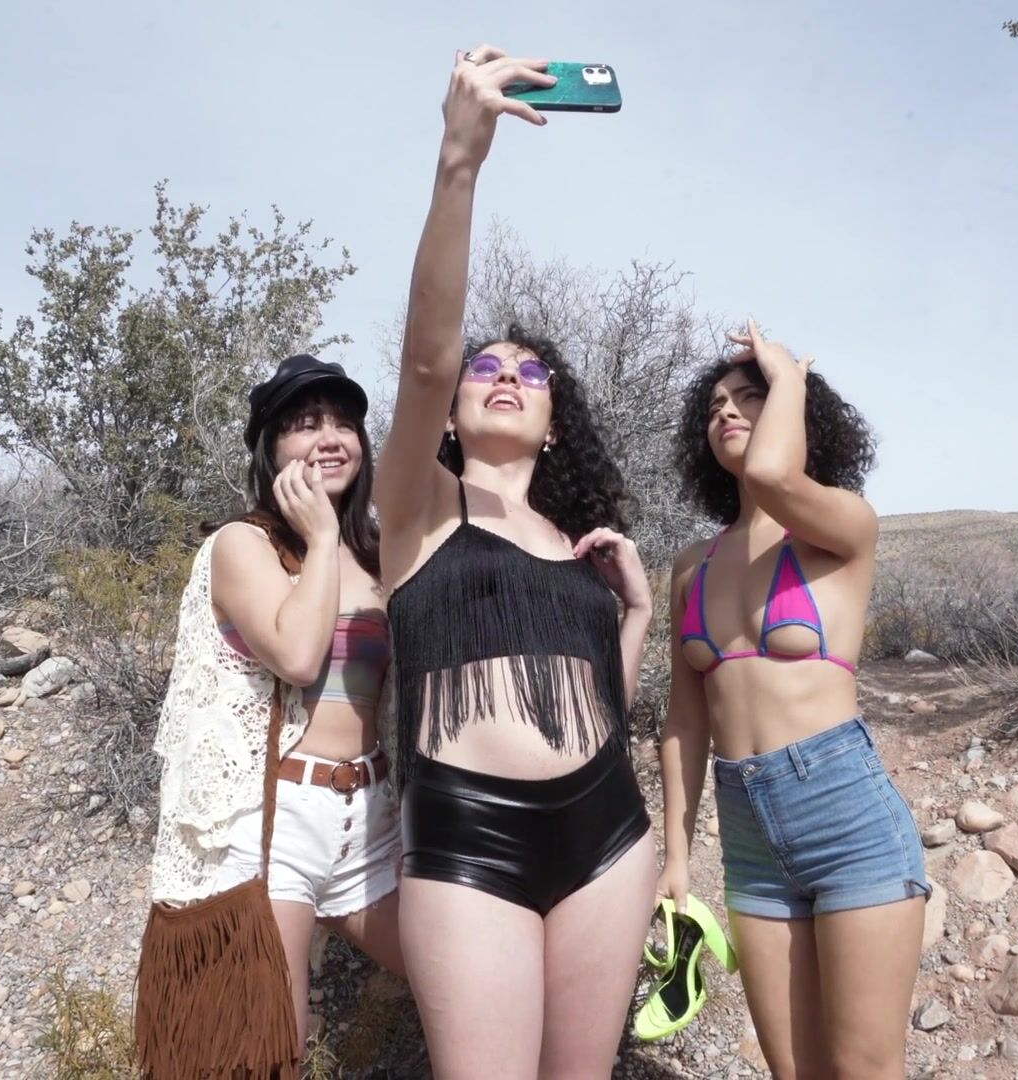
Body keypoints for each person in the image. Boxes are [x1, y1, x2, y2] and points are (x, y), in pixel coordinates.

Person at [372, 43, 659, 1079]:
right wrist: (460, 161)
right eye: (485, 369)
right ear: (450, 417)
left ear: (554, 424)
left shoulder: (577, 548)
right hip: (467, 831)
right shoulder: (418, 510)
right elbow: (423, 358)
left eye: (531, 375)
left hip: (609, 828)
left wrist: (633, 617)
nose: (505, 376)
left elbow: (598, 708)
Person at [658, 321, 928, 1079]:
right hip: (747, 836)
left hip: (846, 817)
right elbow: (684, 721)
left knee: (863, 1067)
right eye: (715, 404)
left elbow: (776, 476)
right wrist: (677, 858)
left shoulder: (842, 527)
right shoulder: (692, 565)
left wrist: (789, 373)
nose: (726, 410)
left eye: (750, 396)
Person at [149, 354, 404, 1050]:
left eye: (344, 424)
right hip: (275, 822)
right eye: (305, 424)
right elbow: (296, 655)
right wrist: (320, 537)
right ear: (271, 449)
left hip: (372, 818)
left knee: (461, 980)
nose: (330, 438)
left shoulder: (379, 553)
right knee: (270, 1043)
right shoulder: (243, 545)